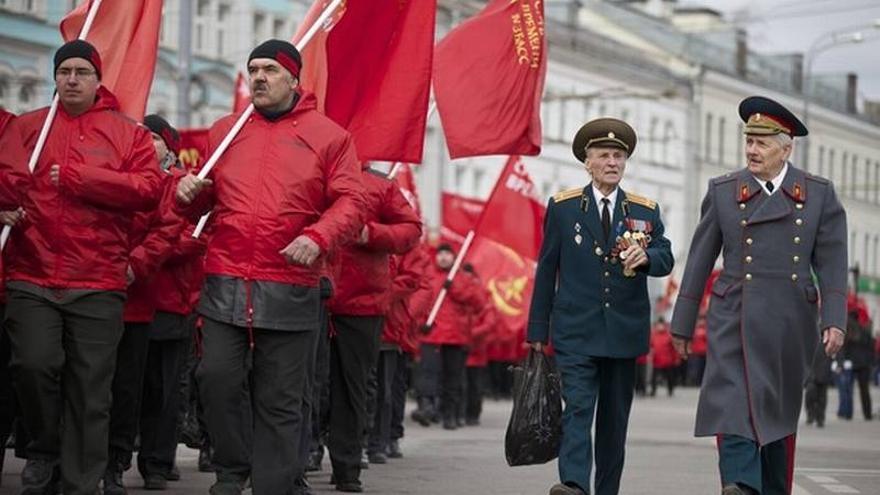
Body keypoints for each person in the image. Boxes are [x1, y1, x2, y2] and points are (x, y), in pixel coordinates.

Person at [175, 39, 364, 495]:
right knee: (215, 380)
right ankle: (232, 469)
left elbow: (352, 202)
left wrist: (317, 237)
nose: (259, 77)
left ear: (294, 79)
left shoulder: (330, 136)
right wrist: (187, 194)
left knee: (280, 399)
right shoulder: (225, 130)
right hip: (226, 278)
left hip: (290, 283)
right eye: (253, 68)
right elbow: (204, 201)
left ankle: (273, 484)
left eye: (270, 70)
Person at [0, 40, 163, 493]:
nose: (71, 79)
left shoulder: (127, 133)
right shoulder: (28, 127)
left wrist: (82, 179)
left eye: (81, 72)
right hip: (32, 274)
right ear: (55, 78)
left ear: (97, 79)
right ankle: (46, 448)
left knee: (91, 390)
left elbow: (149, 190)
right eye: (64, 71)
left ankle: (80, 481)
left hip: (97, 279)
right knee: (33, 366)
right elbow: (6, 180)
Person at [670, 96, 847, 495]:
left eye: (762, 142)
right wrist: (681, 324)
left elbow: (834, 262)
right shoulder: (723, 190)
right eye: (748, 140)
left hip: (789, 322)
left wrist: (834, 319)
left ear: (787, 148)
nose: (752, 149)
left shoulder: (818, 195)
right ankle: (740, 484)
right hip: (733, 313)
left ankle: (766, 486)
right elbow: (699, 260)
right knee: (730, 401)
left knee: (776, 415)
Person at [527, 118, 674, 495]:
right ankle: (574, 483)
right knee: (577, 408)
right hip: (575, 329)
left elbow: (665, 256)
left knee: (613, 422)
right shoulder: (563, 208)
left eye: (619, 156)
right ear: (587, 162)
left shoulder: (644, 209)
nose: (612, 162)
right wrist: (536, 332)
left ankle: (607, 488)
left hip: (623, 332)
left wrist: (646, 258)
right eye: (604, 155)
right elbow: (547, 270)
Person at [326, 167, 421, 491]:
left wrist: (370, 234)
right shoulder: (309, 170)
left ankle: (348, 464)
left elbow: (410, 232)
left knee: (354, 388)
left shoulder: (381, 185)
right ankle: (298, 459)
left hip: (361, 302)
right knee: (300, 386)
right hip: (308, 293)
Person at [415, 244, 485, 431]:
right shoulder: (428, 275)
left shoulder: (462, 278)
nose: (444, 258)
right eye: (440, 254)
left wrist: (456, 288)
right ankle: (427, 407)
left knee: (452, 378)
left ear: (454, 257)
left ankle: (450, 415)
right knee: (428, 373)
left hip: (456, 336)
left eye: (447, 254)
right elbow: (419, 299)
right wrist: (419, 322)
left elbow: (479, 302)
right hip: (432, 334)